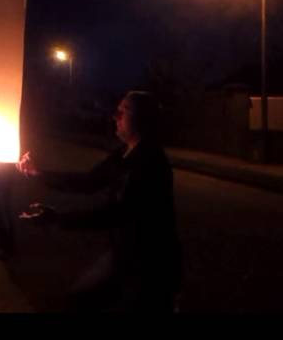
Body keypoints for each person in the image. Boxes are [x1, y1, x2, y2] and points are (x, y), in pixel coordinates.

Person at [17, 91, 182, 313]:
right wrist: (39, 174)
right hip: (125, 253)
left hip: (151, 264)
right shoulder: (124, 153)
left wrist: (57, 219)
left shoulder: (149, 162)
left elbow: (115, 213)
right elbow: (89, 181)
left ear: (143, 118)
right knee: (78, 301)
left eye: (123, 111)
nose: (115, 116)